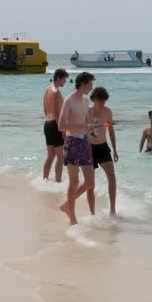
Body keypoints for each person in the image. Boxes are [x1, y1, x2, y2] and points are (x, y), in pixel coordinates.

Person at [58, 72, 96, 225]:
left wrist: (92, 127)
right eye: (90, 84)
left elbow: (86, 123)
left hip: (85, 142)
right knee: (74, 181)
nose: (92, 87)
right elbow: (61, 126)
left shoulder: (86, 101)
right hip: (72, 141)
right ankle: (72, 217)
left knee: (89, 182)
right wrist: (83, 126)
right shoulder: (69, 100)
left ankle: (67, 205)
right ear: (83, 83)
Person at [85, 87, 118, 216]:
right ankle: (92, 213)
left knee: (112, 177)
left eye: (105, 100)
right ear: (94, 99)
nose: (103, 103)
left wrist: (115, 150)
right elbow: (80, 129)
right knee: (90, 183)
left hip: (103, 147)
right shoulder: (87, 112)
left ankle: (113, 210)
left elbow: (110, 129)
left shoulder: (108, 112)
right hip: (89, 148)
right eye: (101, 101)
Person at [41, 68, 68, 183]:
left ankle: (44, 179)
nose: (65, 82)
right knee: (60, 157)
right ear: (58, 78)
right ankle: (58, 182)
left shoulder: (47, 89)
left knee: (50, 156)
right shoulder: (56, 92)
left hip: (47, 124)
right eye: (64, 79)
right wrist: (62, 130)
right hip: (56, 125)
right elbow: (58, 113)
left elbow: (45, 110)